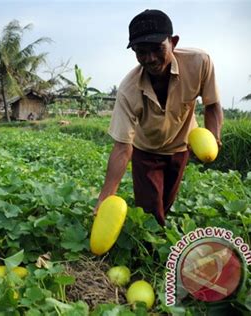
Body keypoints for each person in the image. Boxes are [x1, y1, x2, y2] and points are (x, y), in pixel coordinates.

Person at [94, 9, 223, 226]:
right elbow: (122, 147)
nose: (150, 58)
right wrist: (105, 197)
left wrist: (214, 137)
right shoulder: (128, 89)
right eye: (141, 52)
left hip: (181, 148)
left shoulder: (199, 63)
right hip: (146, 152)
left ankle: (157, 243)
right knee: (150, 212)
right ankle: (150, 253)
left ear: (173, 42)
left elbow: (212, 105)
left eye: (157, 49)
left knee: (166, 203)